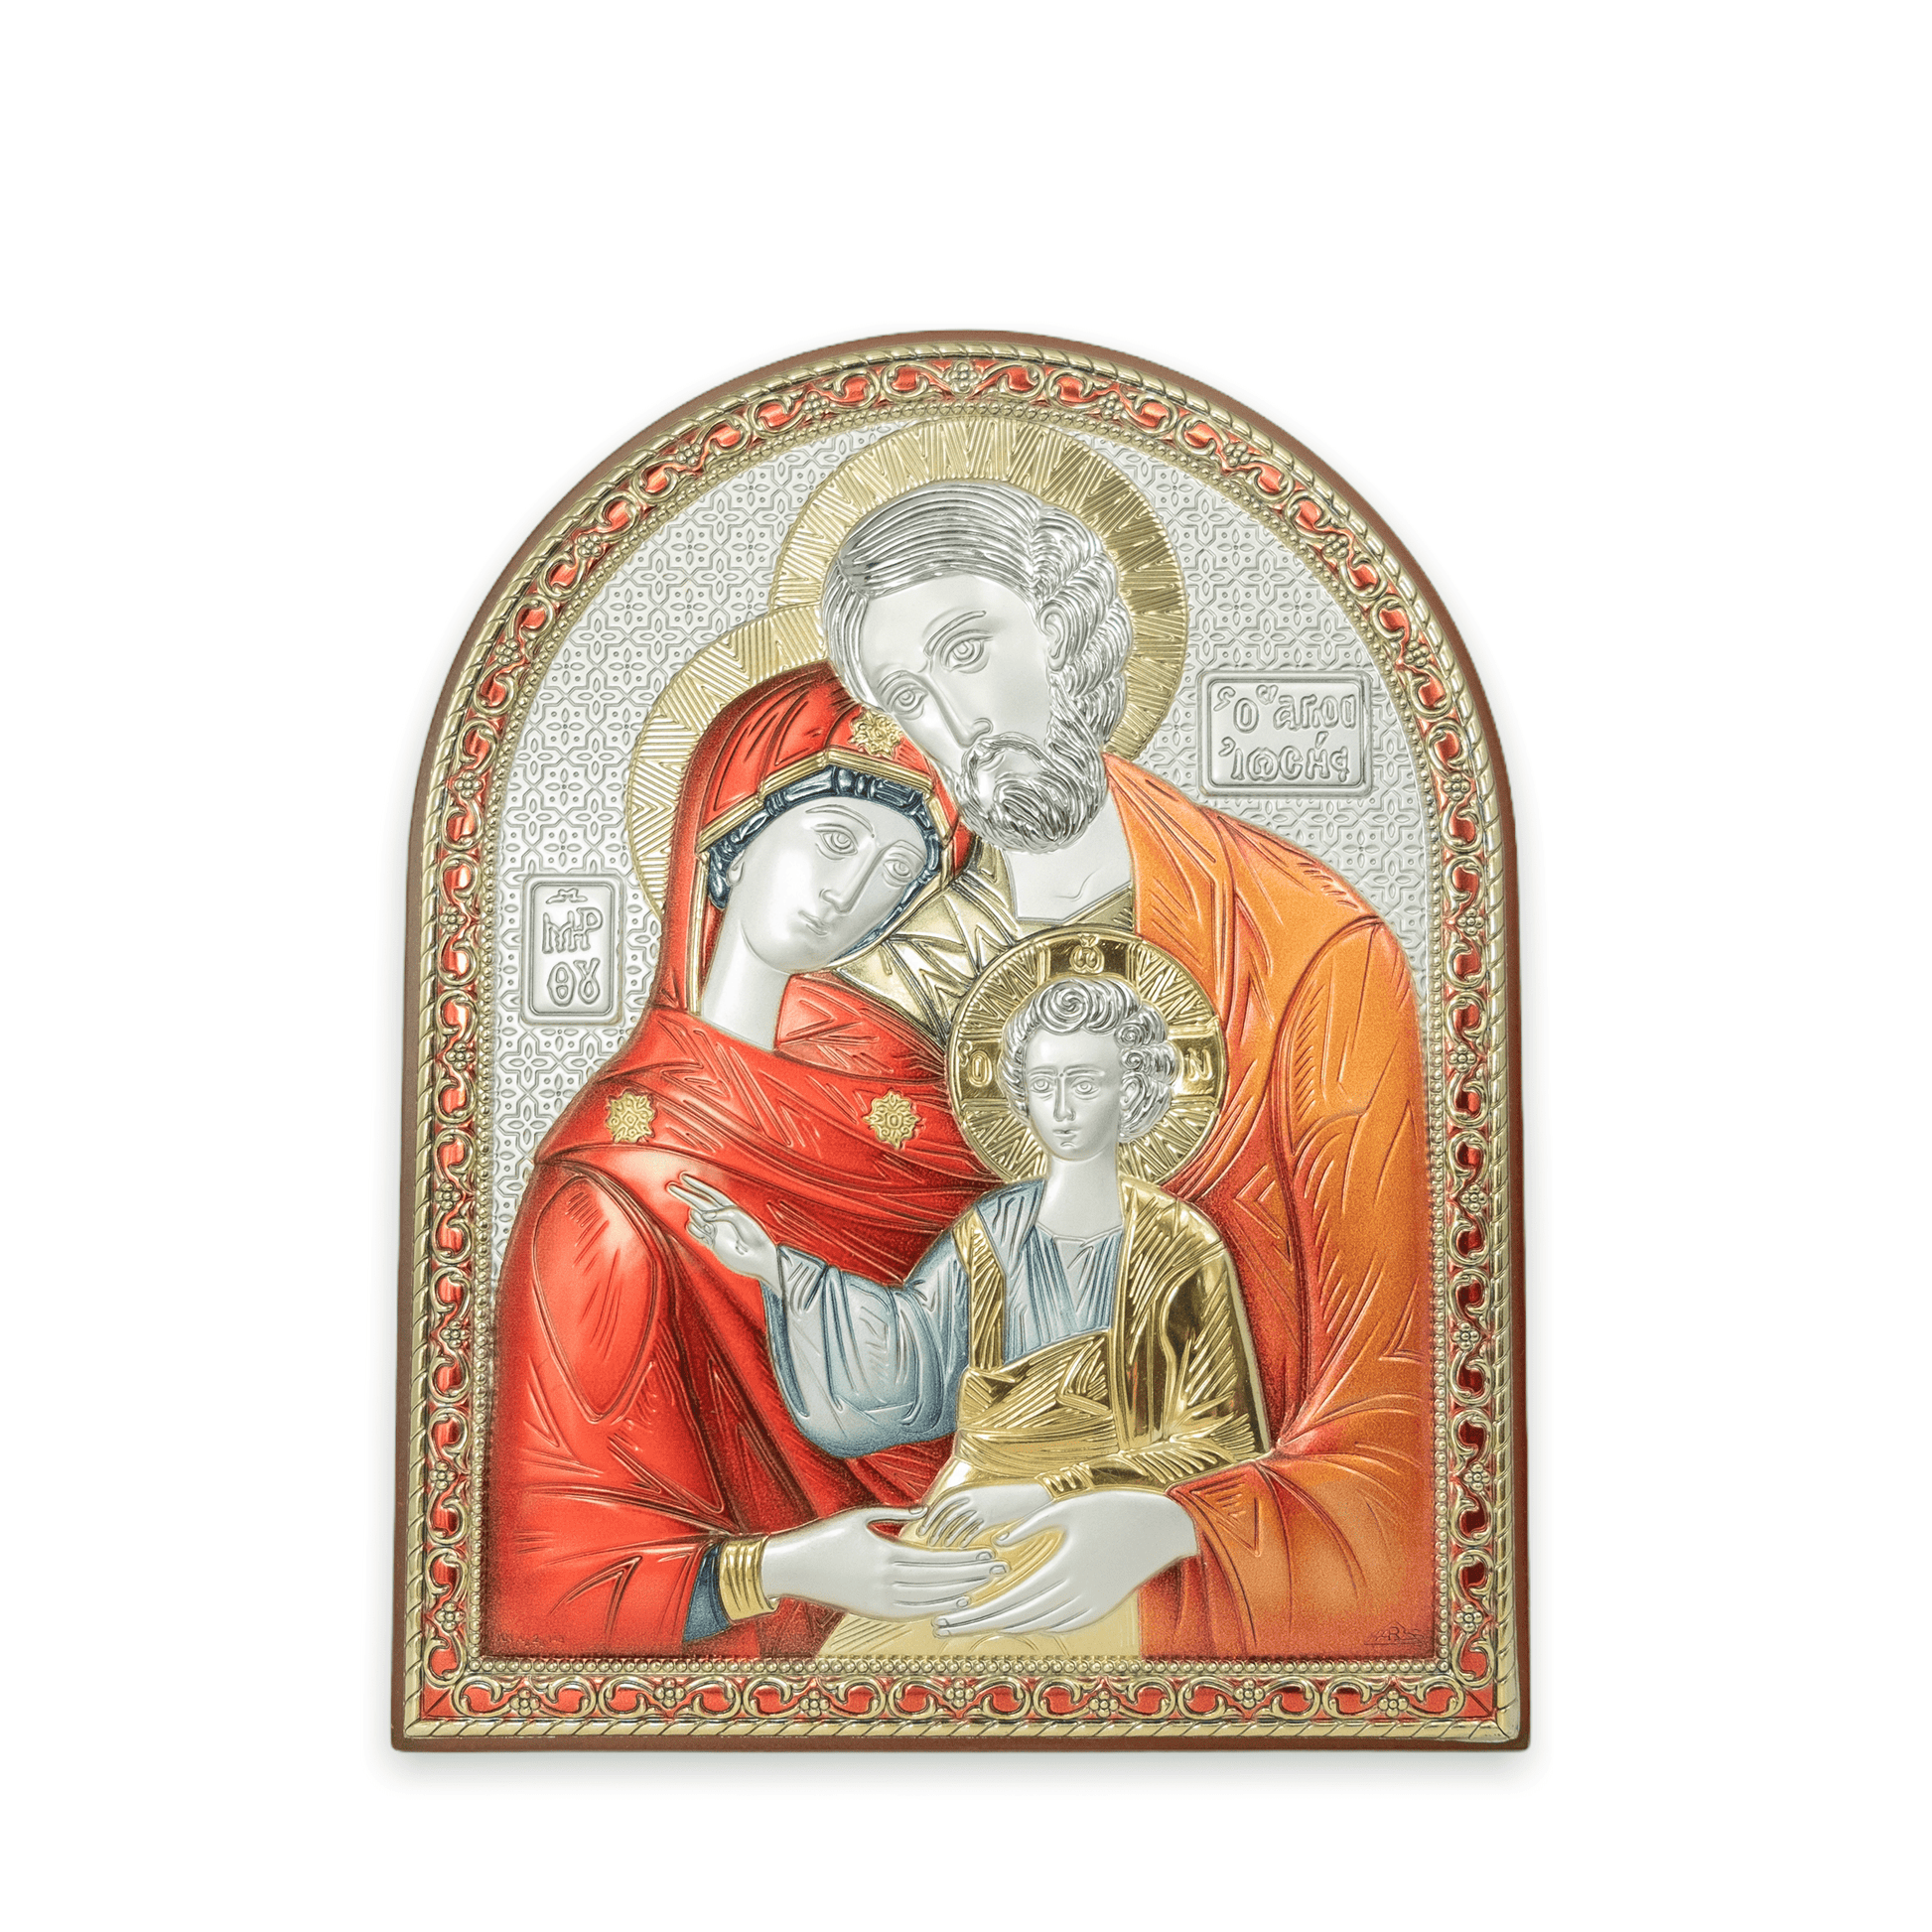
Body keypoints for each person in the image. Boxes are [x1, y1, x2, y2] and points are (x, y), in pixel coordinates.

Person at [815, 473, 1437, 1659]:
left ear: (1069, 628)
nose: (956, 719)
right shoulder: (874, 990)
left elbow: (1395, 1422)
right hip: (960, 1524)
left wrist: (1166, 1520)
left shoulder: (1298, 941)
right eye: (910, 695)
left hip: (1182, 1557)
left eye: (967, 649)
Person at [483, 664, 1010, 1659]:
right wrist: (777, 1568)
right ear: (732, 834)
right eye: (836, 838)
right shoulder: (608, 1187)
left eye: (896, 872)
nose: (851, 893)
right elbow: (552, 1583)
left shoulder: (925, 1099)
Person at [676, 970, 1267, 1656]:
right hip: (962, 1518)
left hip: (1102, 1538)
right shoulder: (989, 1233)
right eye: (1044, 1084)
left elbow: (1222, 1447)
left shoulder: (1180, 1246)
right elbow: (909, 1358)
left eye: (1085, 1083)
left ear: (1130, 1091)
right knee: (859, 1666)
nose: (1062, 1108)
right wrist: (774, 1267)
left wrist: (1045, 1494)